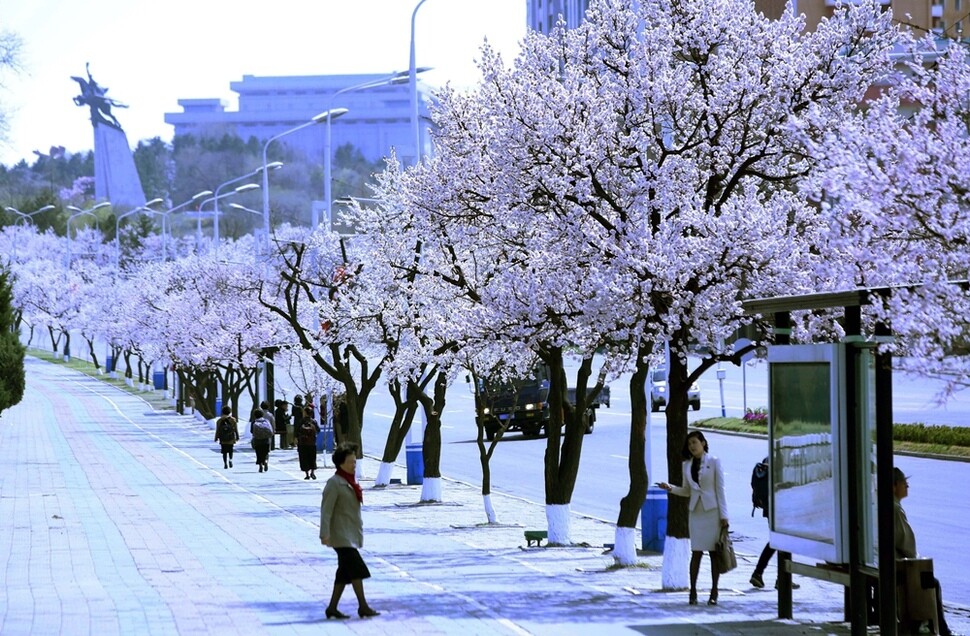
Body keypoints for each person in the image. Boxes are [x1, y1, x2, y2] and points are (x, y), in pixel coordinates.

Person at [658, 430, 729, 606]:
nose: (692, 446)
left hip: (712, 512)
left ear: (703, 443)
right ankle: (693, 592)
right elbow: (687, 490)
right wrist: (670, 488)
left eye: (695, 443)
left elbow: (720, 490)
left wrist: (724, 515)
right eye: (690, 444)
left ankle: (714, 591)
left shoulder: (714, 462)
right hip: (696, 512)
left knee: (714, 554)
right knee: (696, 553)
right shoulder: (686, 465)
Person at [320, 443, 380, 620]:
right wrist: (324, 533)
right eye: (351, 462)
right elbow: (326, 510)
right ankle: (363, 606)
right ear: (341, 463)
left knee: (344, 572)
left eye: (355, 461)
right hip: (340, 535)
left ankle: (332, 608)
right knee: (356, 568)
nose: (355, 464)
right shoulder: (334, 483)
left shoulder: (350, 481)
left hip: (350, 532)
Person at [894, 467, 953, 636]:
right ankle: (937, 627)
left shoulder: (887, 505)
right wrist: (915, 558)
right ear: (893, 486)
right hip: (896, 564)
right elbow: (906, 545)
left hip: (884, 561)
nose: (907, 486)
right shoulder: (895, 510)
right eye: (904, 483)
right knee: (930, 581)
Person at [298, 407, 320, 480]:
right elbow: (318, 430)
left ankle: (307, 474)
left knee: (304, 458)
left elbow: (297, 431)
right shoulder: (314, 421)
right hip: (312, 443)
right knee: (312, 458)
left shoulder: (301, 421)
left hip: (302, 443)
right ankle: (312, 473)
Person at [250, 409, 274, 473]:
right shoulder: (266, 421)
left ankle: (260, 465)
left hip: (257, 440)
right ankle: (266, 461)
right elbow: (271, 430)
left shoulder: (254, 422)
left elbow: (251, 431)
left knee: (259, 453)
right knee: (266, 452)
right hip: (266, 440)